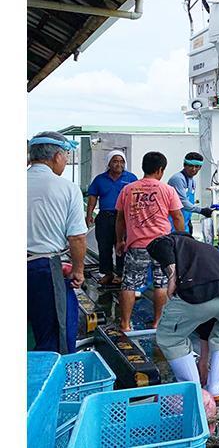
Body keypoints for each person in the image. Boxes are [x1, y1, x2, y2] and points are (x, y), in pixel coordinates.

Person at [147, 232, 219, 403]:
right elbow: (208, 318)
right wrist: (203, 360)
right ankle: (215, 388)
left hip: (196, 291)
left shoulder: (174, 241)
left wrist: (172, 275)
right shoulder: (207, 251)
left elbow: (158, 243)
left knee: (170, 337)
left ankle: (193, 391)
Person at [27, 132, 87, 353]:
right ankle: (49, 384)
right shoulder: (67, 188)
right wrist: (78, 271)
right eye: (66, 156)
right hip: (43, 269)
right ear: (56, 157)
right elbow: (77, 237)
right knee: (54, 336)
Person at [115, 151, 185, 332]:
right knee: (161, 283)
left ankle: (125, 324)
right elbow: (177, 216)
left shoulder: (128, 189)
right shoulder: (167, 190)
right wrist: (181, 239)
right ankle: (157, 323)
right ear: (160, 170)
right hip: (162, 245)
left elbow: (120, 219)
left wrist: (120, 240)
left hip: (136, 245)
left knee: (129, 284)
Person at [86, 151, 137, 286]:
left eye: (121, 161)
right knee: (104, 246)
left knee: (121, 246)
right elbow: (92, 198)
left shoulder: (131, 178)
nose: (118, 164)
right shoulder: (100, 179)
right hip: (104, 217)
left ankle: (120, 274)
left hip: (124, 217)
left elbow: (137, 199)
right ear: (109, 163)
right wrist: (89, 215)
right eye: (115, 161)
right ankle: (107, 273)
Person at [167, 152, 213, 234]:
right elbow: (183, 202)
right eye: (191, 166)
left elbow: (189, 202)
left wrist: (189, 220)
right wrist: (201, 210)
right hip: (174, 224)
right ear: (184, 165)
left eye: (197, 166)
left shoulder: (192, 181)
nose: (194, 169)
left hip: (185, 223)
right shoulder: (177, 179)